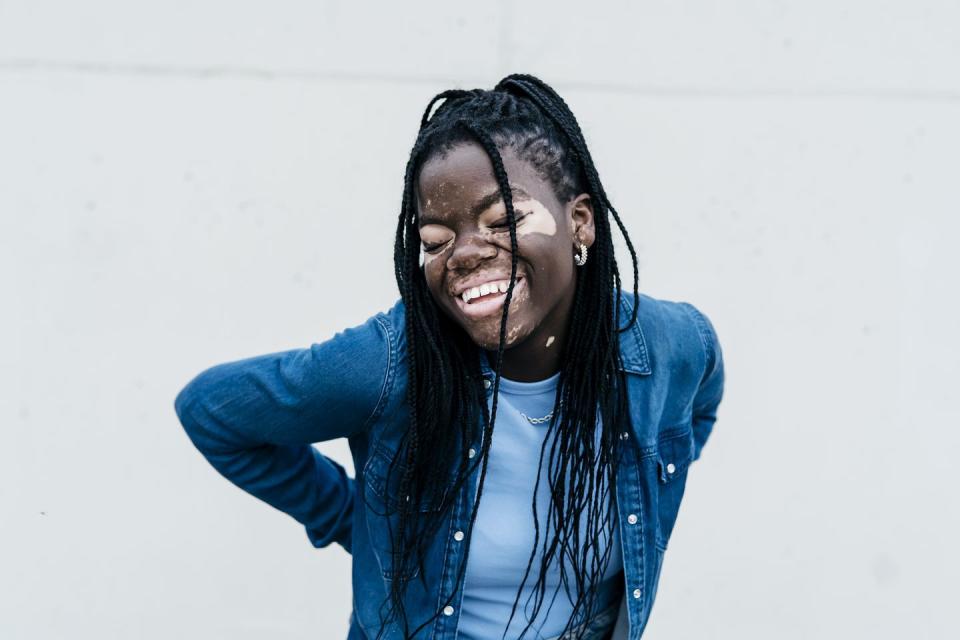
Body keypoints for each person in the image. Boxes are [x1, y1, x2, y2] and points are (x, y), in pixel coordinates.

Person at [174, 74, 725, 640]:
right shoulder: (393, 363)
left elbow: (699, 400)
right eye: (435, 240)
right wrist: (355, 520)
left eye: (504, 221)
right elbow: (213, 412)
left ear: (579, 221)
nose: (463, 253)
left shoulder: (668, 345)